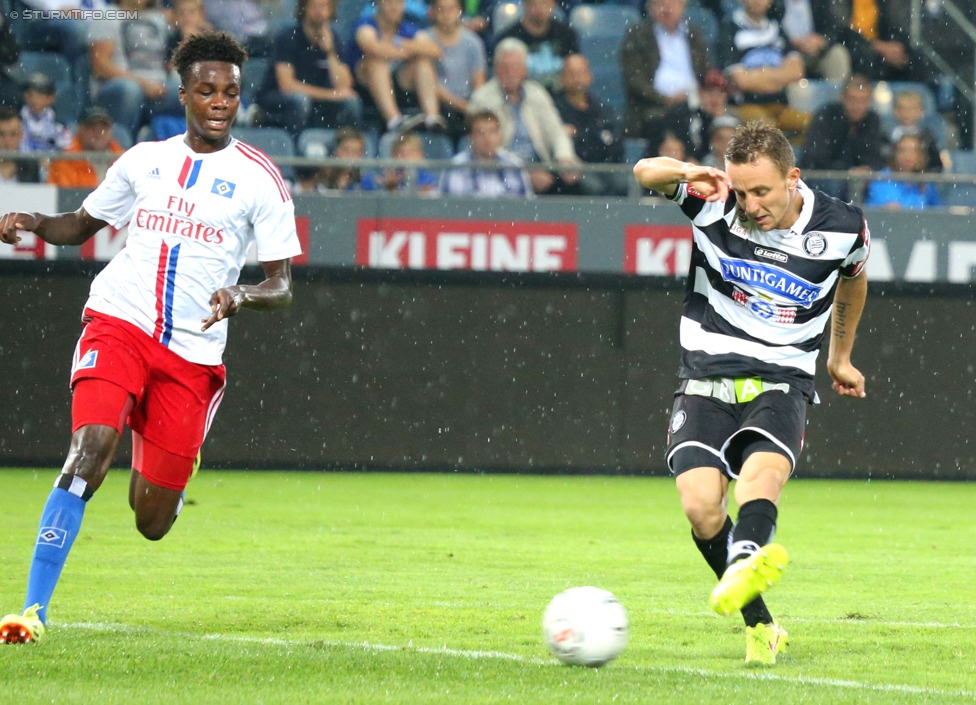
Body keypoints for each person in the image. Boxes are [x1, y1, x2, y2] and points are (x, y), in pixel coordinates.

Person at [0, 31, 302, 645]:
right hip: (120, 322)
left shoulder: (258, 178)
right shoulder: (143, 159)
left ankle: (171, 449)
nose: (221, 101)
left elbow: (283, 285)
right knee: (90, 448)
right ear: (184, 94)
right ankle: (30, 611)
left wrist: (241, 295)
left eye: (231, 92)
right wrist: (32, 220)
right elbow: (78, 225)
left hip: (191, 356)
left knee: (152, 521)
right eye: (207, 90)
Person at [632, 120, 870, 665]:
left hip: (781, 378)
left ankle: (746, 553)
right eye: (742, 191)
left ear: (793, 178)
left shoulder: (842, 225)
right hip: (704, 377)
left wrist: (840, 356)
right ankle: (760, 620)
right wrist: (691, 172)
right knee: (700, 508)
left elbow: (854, 278)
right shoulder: (713, 202)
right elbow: (645, 172)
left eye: (761, 191)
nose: (750, 204)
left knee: (760, 477)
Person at [468, 37, 581, 195]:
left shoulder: (537, 94)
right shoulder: (482, 99)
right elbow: (484, 147)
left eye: (515, 66)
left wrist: (564, 158)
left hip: (543, 165)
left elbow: (557, 132)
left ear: (525, 69)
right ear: (496, 69)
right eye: (505, 67)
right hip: (501, 170)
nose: (510, 72)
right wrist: (524, 173)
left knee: (580, 185)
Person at [257, 0, 362, 136]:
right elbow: (287, 86)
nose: (319, 11)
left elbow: (345, 86)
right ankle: (294, 149)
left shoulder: (335, 39)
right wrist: (331, 96)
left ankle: (346, 151)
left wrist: (330, 52)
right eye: (314, 6)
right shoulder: (288, 37)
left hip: (319, 100)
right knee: (300, 101)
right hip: (279, 98)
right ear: (304, 8)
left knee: (351, 103)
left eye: (325, 6)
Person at [88, 0, 185, 136]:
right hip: (117, 86)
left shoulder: (159, 18)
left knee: (187, 90)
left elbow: (168, 60)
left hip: (159, 86)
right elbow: (100, 66)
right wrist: (144, 84)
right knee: (130, 90)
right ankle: (121, 144)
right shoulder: (107, 15)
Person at [350, 0, 446, 135]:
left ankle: (432, 118)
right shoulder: (365, 24)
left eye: (398, 3)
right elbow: (372, 47)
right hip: (365, 86)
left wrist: (402, 44)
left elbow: (435, 50)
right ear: (378, 4)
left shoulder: (406, 28)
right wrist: (407, 51)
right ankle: (394, 120)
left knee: (422, 63)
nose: (394, 8)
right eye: (389, 3)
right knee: (376, 62)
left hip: (398, 83)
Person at [716, 0, 809, 137]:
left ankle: (789, 157)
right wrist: (779, 78)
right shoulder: (729, 28)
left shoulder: (776, 28)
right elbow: (741, 81)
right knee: (767, 130)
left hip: (780, 106)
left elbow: (797, 72)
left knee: (812, 124)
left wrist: (758, 76)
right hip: (746, 106)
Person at [619, 0, 709, 138]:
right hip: (653, 106)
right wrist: (665, 99)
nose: (667, 9)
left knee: (724, 120)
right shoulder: (637, 34)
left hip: (695, 101)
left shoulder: (694, 34)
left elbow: (706, 69)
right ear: (650, 8)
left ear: (683, 7)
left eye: (673, 4)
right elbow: (633, 78)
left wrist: (704, 94)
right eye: (661, 3)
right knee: (674, 119)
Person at [800, 74, 885, 199]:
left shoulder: (872, 120)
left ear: (869, 101)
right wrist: (848, 171)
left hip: (856, 182)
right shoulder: (826, 115)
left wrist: (867, 168)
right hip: (822, 179)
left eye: (863, 101)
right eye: (852, 99)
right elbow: (816, 157)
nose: (857, 105)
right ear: (842, 97)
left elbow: (875, 156)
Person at [552, 53, 624, 196]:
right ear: (562, 78)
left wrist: (578, 135)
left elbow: (615, 145)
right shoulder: (554, 110)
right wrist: (596, 137)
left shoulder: (602, 109)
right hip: (574, 169)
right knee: (592, 187)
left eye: (580, 72)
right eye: (571, 73)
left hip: (606, 167)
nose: (576, 78)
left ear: (589, 76)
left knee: (627, 183)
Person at [428, 0, 487, 146]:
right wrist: (460, 105)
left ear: (460, 11)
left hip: (468, 104)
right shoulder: (424, 40)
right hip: (437, 105)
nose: (446, 15)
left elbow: (479, 79)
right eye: (441, 9)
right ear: (433, 12)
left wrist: (474, 105)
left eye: (451, 9)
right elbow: (429, 82)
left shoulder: (473, 42)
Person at [440, 109, 533, 196]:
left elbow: (528, 205)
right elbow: (449, 208)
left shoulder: (514, 164)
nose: (487, 138)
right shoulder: (456, 166)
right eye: (481, 133)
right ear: (470, 138)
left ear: (499, 135)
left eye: (492, 132)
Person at [494, 0, 579, 93]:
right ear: (524, 4)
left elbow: (576, 68)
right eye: (534, 4)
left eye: (545, 3)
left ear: (553, 4)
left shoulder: (566, 34)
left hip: (561, 97)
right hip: (524, 98)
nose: (540, 9)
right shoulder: (509, 38)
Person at [46, 106, 126, 188]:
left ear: (110, 131)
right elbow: (64, 198)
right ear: (80, 130)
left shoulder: (125, 161)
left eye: (103, 127)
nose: (98, 132)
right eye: (91, 127)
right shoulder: (64, 162)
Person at [865, 131, 942, 210]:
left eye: (913, 151)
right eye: (903, 150)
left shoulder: (925, 183)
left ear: (921, 156)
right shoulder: (882, 178)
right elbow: (872, 210)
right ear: (895, 153)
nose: (908, 156)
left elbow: (938, 214)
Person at [885, 89, 944, 173]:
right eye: (902, 108)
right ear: (895, 111)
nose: (906, 113)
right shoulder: (886, 137)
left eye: (912, 109)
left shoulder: (927, 138)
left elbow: (935, 166)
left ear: (920, 112)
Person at [19, 73, 73, 153]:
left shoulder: (59, 124)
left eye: (39, 94)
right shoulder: (16, 120)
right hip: (22, 164)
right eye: (30, 94)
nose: (33, 99)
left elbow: (66, 150)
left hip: (51, 164)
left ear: (51, 98)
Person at [0, 107, 40, 183]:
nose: (7, 140)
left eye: (13, 134)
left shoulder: (31, 169)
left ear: (21, 136)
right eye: (1, 134)